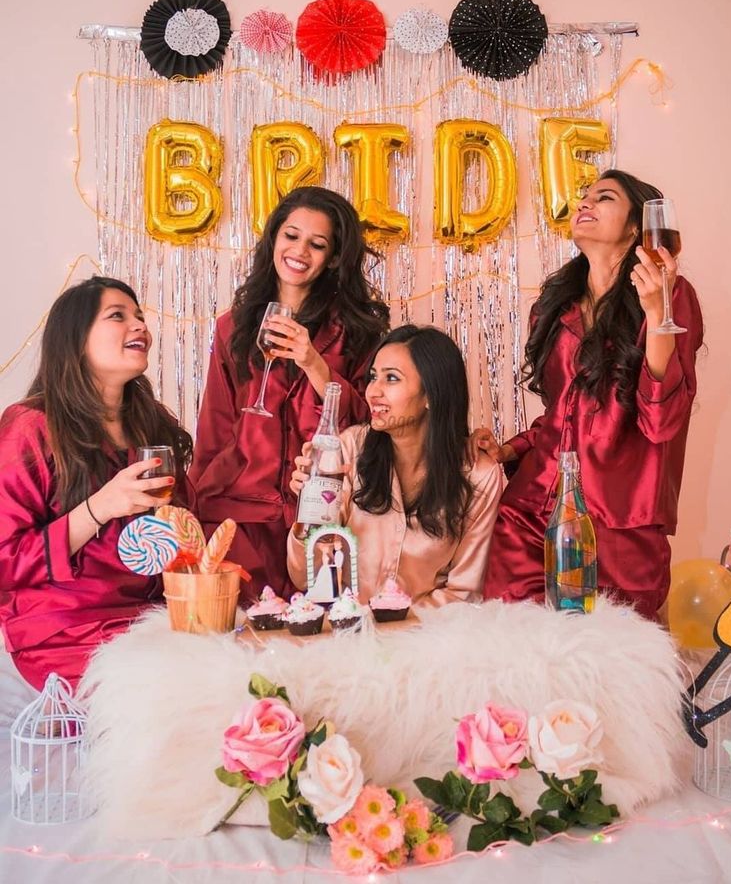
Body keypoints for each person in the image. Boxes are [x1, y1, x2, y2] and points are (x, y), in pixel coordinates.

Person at [479, 170, 703, 619]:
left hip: (622, 525)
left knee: (610, 670)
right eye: (583, 196)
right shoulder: (554, 305)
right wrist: (509, 448)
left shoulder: (672, 296)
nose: (585, 203)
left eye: (603, 198)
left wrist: (656, 311)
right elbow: (561, 416)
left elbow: (661, 421)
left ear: (638, 226)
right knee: (510, 655)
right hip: (530, 513)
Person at [190, 186, 390, 599]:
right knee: (241, 639)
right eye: (291, 235)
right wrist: (194, 505)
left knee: (315, 638)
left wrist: (314, 362)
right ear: (274, 238)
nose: (299, 251)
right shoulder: (233, 326)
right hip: (240, 512)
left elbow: (370, 424)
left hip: (319, 512)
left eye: (317, 244)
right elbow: (216, 424)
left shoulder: (357, 331)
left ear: (333, 257)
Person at [0, 277, 193, 691]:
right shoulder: (31, 426)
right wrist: (99, 507)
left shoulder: (153, 424)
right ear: (76, 338)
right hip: (63, 628)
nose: (139, 325)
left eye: (140, 316)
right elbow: (7, 559)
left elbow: (186, 531)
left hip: (150, 617)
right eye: (118, 316)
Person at [287, 325, 503, 606]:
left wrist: (392, 628)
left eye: (391, 379)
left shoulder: (478, 474)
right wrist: (310, 514)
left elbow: (463, 592)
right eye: (374, 377)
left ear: (431, 395)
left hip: (427, 637)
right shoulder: (348, 449)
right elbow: (305, 578)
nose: (373, 391)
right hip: (347, 634)